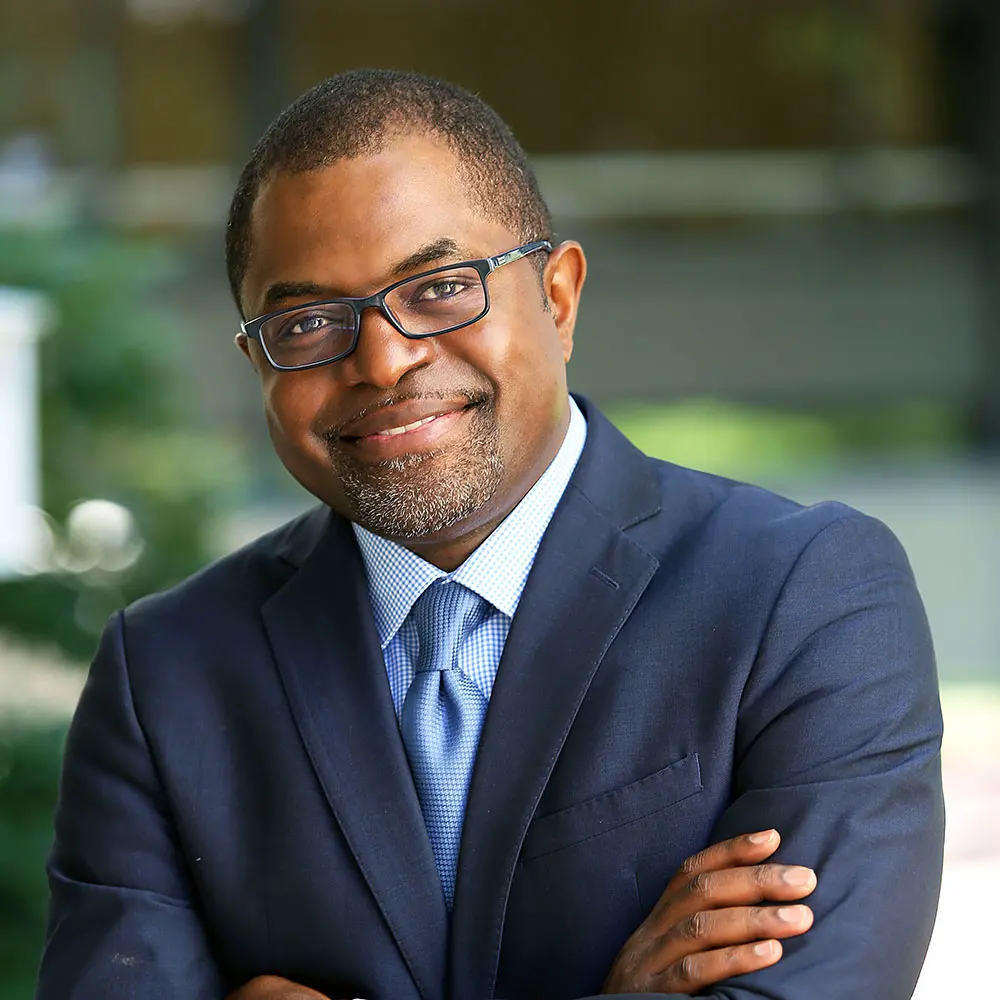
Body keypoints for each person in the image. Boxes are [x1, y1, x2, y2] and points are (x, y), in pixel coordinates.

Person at [36, 69, 944, 1000]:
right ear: (256, 363)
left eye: (438, 288)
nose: (384, 359)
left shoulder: (802, 595)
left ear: (559, 297)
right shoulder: (165, 674)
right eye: (306, 322)